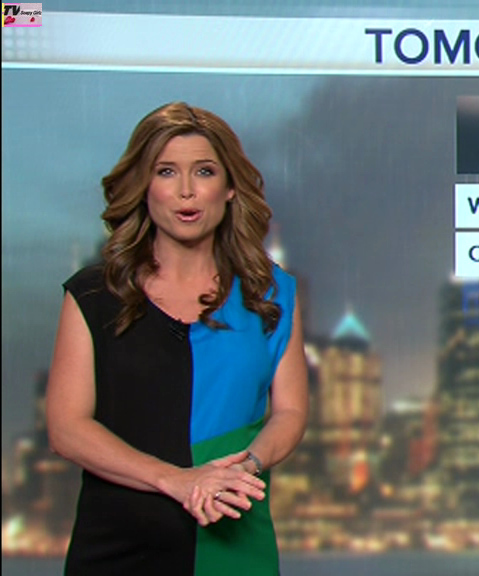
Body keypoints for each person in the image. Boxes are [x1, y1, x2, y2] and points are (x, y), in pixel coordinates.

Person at [45, 102, 308, 575]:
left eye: (204, 171)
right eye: (166, 171)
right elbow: (67, 428)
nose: (187, 190)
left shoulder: (271, 294)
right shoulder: (93, 294)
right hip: (117, 550)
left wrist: (244, 468)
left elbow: (290, 413)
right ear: (144, 186)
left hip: (232, 542)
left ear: (229, 187)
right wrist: (176, 480)